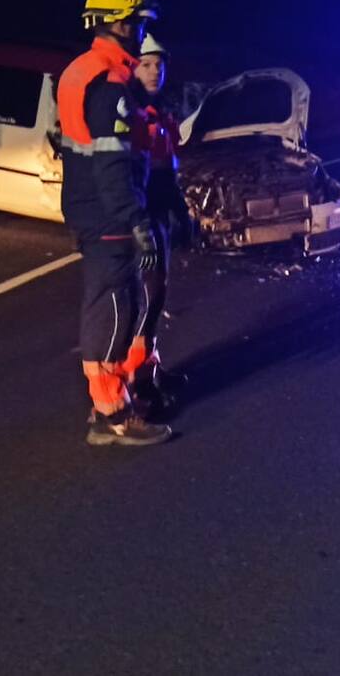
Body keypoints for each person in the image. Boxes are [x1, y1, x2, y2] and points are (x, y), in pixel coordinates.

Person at [56, 0, 171, 447]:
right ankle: (112, 414)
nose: (142, 34)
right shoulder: (109, 84)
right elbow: (112, 165)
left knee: (113, 304)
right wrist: (136, 220)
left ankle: (112, 403)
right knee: (116, 308)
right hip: (109, 215)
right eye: (140, 24)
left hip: (93, 210)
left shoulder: (84, 70)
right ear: (121, 24)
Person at [129, 34, 190, 413]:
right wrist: (141, 228)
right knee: (146, 301)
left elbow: (167, 170)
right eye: (146, 64)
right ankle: (138, 383)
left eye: (159, 65)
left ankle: (149, 369)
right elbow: (131, 179)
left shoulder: (159, 110)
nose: (154, 71)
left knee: (158, 296)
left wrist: (181, 213)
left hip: (159, 217)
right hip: (143, 219)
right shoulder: (133, 112)